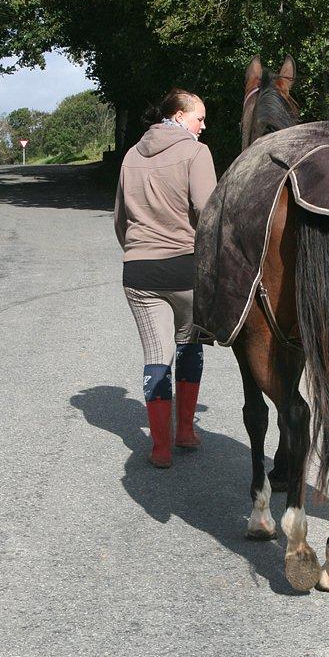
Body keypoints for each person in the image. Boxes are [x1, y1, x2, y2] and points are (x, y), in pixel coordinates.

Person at [114, 88, 217, 468]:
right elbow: (207, 211)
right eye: (199, 118)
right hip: (185, 267)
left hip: (139, 270)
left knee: (156, 355)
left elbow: (121, 220)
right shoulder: (195, 153)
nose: (203, 126)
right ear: (177, 116)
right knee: (189, 344)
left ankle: (159, 448)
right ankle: (185, 431)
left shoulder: (130, 156)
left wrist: (139, 249)